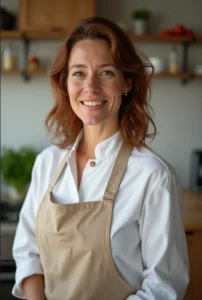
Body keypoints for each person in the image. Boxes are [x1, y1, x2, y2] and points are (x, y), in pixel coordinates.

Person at [12, 17, 189, 300]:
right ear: (66, 83)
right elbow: (27, 252)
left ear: (127, 83)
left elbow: (163, 287)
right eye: (78, 73)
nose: (90, 87)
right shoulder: (47, 163)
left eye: (106, 72)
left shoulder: (153, 176)